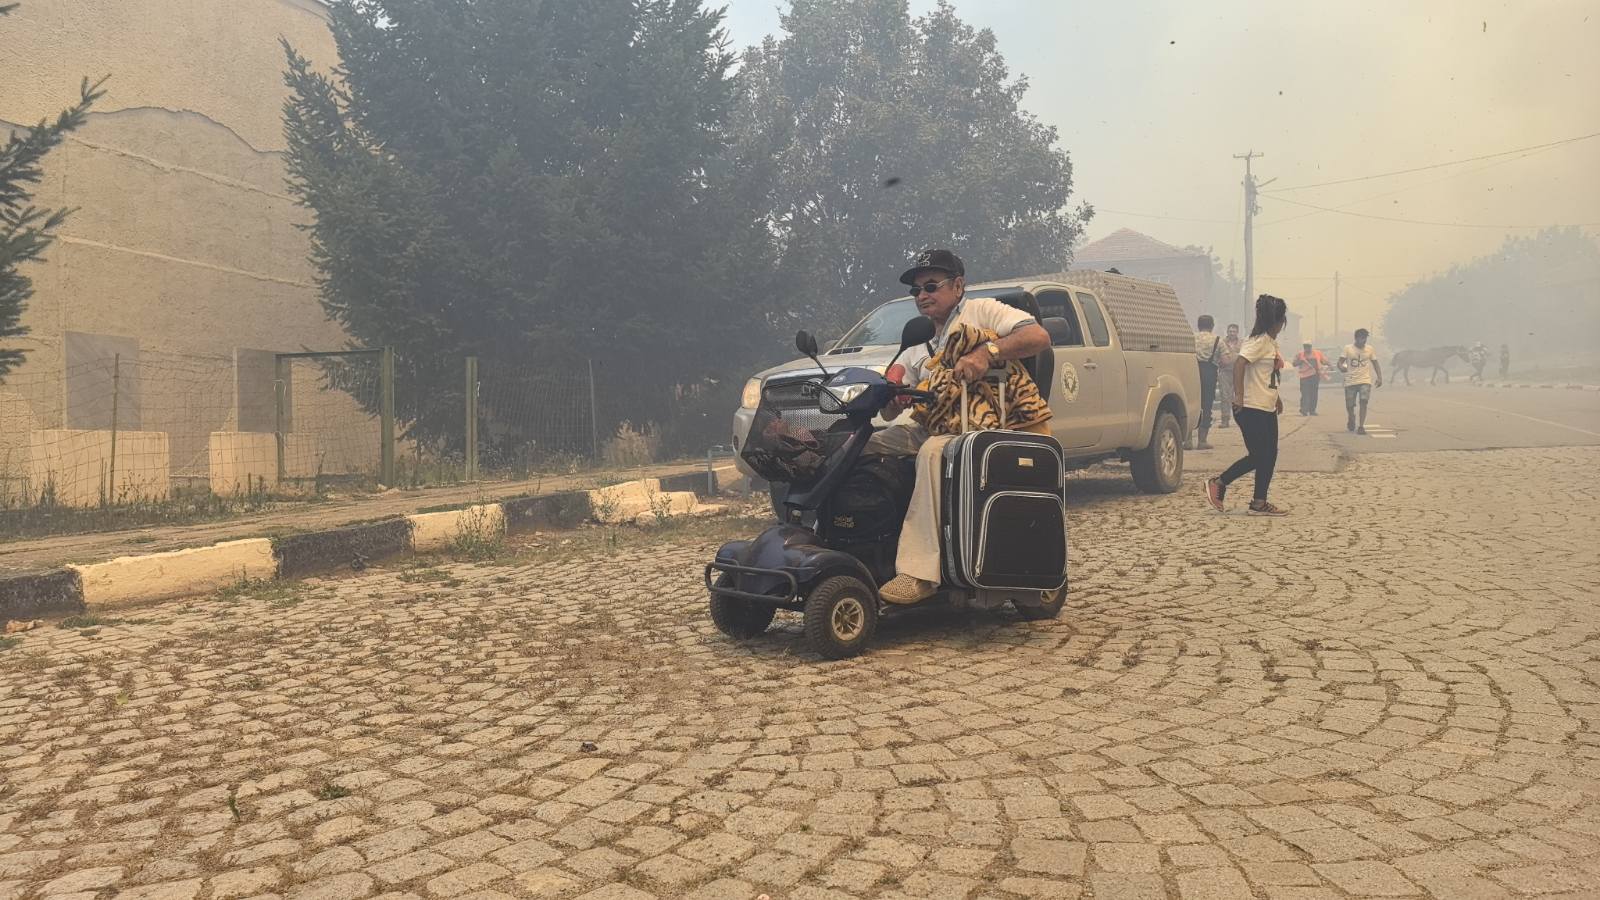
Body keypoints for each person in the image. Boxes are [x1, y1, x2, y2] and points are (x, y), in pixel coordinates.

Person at [873, 249, 1051, 604]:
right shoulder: (919, 341)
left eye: (930, 286)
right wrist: (891, 390)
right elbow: (894, 404)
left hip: (982, 427)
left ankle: (920, 573)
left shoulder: (983, 312)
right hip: (936, 425)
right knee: (863, 445)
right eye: (916, 290)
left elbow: (1038, 338)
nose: (922, 295)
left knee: (933, 452)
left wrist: (987, 353)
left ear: (957, 285)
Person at [1205, 295, 1289, 516]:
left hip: (1266, 406)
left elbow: (1264, 373)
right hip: (1250, 408)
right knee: (1259, 455)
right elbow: (1240, 364)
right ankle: (1219, 482)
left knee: (1270, 454)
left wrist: (1276, 397)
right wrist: (1239, 395)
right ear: (1279, 322)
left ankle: (1259, 502)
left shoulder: (1270, 342)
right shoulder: (1259, 340)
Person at [1338, 328, 1383, 435]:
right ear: (1356, 338)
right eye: (1362, 338)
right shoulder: (1347, 348)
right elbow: (1340, 362)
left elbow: (1375, 363)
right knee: (1350, 405)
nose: (1364, 341)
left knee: (1364, 401)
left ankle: (1361, 426)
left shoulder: (1370, 349)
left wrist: (1379, 377)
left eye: (1365, 339)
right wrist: (1341, 367)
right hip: (1350, 381)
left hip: (1365, 380)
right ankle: (1351, 417)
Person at [1190, 314, 1221, 449]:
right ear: (1212, 326)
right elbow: (1226, 360)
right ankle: (1202, 441)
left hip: (1192, 372)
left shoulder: (1191, 338)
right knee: (1206, 406)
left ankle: (1187, 441)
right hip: (1209, 374)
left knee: (1189, 404)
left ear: (1198, 325)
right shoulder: (1217, 340)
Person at [1215, 324, 1241, 428]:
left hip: (1238, 373)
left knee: (1238, 397)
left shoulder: (1241, 343)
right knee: (1225, 396)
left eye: (1234, 331)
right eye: (1230, 331)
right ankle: (1225, 420)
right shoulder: (1222, 343)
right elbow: (1216, 355)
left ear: (1237, 332)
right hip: (1224, 372)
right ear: (1227, 332)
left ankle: (1241, 421)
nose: (1232, 333)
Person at [1293, 341, 1329, 416]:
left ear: (1311, 346)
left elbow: (1324, 361)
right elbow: (1294, 363)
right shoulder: (1300, 354)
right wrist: (1300, 361)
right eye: (1305, 347)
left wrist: (1329, 364)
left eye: (1308, 346)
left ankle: (1312, 410)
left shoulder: (1317, 353)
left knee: (1314, 394)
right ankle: (1304, 410)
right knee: (1305, 393)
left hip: (1315, 376)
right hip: (1304, 377)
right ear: (1304, 347)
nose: (1307, 348)